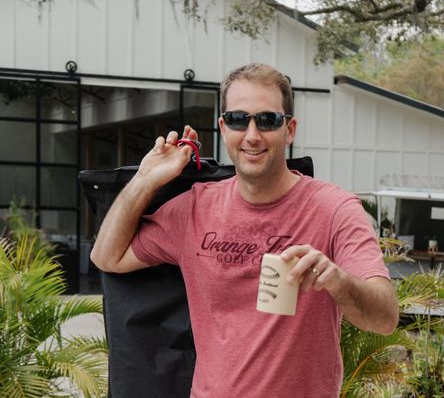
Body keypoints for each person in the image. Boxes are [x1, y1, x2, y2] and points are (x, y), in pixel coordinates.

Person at [90, 63, 398, 398]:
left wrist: (336, 279)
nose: (252, 135)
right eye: (239, 119)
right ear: (223, 128)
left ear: (289, 129)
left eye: (267, 120)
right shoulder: (194, 209)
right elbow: (107, 257)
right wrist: (145, 180)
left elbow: (384, 318)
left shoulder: (334, 210)